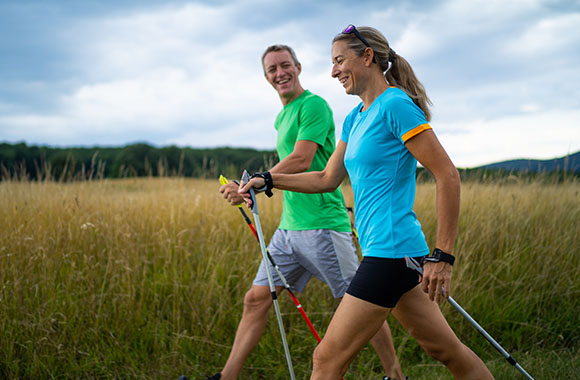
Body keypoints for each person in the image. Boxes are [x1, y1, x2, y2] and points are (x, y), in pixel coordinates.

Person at [240, 27, 496, 380]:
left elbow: (447, 174)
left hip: (391, 256)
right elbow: (326, 178)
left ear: (368, 57)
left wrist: (443, 256)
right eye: (332, 63)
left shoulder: (395, 105)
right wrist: (269, 179)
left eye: (340, 61)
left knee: (326, 359)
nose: (333, 72)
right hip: (393, 254)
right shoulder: (355, 117)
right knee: (445, 350)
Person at [180, 45, 406, 380]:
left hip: (324, 227)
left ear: (298, 68)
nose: (280, 73)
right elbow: (287, 166)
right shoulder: (282, 115)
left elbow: (302, 159)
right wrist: (251, 183)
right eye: (272, 69)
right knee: (256, 299)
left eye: (285, 65)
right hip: (288, 230)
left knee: (361, 303)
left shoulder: (313, 106)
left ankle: (395, 376)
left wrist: (255, 183)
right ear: (266, 77)